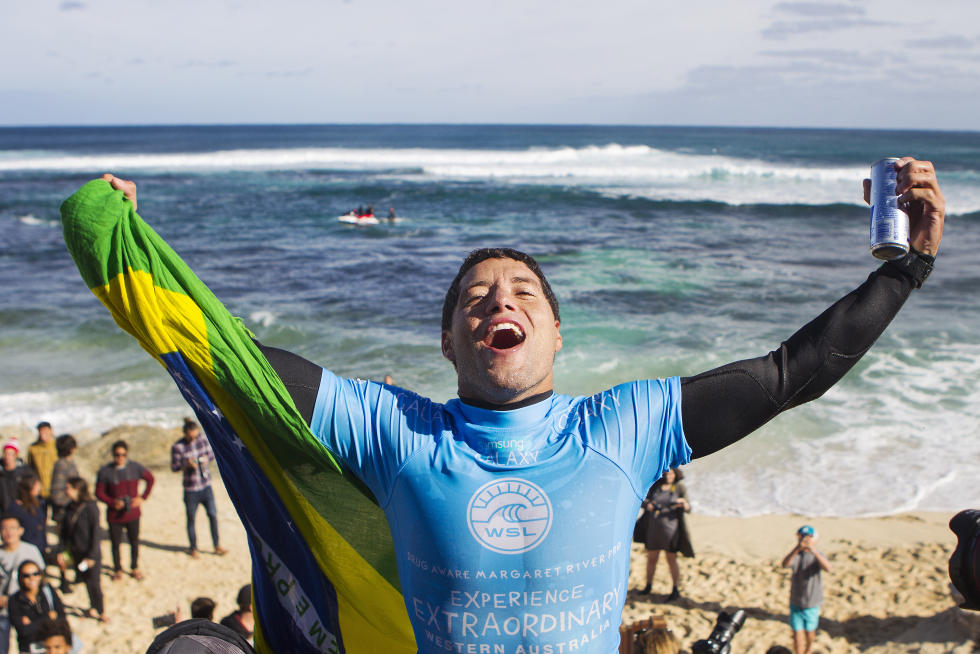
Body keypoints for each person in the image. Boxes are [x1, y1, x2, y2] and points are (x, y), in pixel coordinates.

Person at [99, 161, 945, 654]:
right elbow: (233, 362)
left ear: (555, 332)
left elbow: (790, 373)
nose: (498, 302)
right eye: (474, 297)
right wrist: (135, 249)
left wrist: (904, 270)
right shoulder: (397, 433)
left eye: (523, 292)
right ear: (449, 343)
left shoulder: (623, 426)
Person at [95, 440, 154, 580]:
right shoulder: (105, 472)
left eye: (123, 454)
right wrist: (112, 502)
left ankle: (134, 568)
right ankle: (117, 569)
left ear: (127, 454)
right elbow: (99, 493)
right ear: (113, 455)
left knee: (134, 542)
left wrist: (142, 497)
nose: (120, 457)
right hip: (114, 515)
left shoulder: (135, 467)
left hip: (133, 513)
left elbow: (150, 479)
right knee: (115, 544)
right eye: (117, 455)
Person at [170, 420, 226, 558]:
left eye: (194, 436)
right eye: (190, 437)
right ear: (185, 434)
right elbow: (174, 467)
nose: (193, 439)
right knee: (191, 519)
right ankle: (193, 547)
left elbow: (212, 454)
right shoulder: (178, 447)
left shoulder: (202, 440)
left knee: (213, 515)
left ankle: (217, 545)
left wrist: (207, 459)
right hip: (191, 489)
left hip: (206, 485)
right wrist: (186, 465)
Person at [639, 468, 692, 601]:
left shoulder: (679, 488)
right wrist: (648, 505)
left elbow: (688, 508)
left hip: (671, 530)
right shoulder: (655, 486)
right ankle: (648, 586)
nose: (669, 476)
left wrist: (683, 504)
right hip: (653, 529)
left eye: (671, 474)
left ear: (676, 475)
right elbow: (642, 501)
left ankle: (675, 589)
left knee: (671, 559)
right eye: (667, 474)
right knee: (651, 559)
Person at [56, 479, 106, 623]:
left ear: (77, 488)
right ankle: (92, 607)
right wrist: (61, 551)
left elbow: (96, 533)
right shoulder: (69, 507)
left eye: (68, 487)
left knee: (94, 583)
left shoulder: (91, 507)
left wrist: (91, 556)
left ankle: (101, 611)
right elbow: (64, 533)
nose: (66, 490)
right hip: (76, 552)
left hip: (91, 553)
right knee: (85, 581)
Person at [780, 525, 831, 654]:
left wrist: (813, 550)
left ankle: (808, 650)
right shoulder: (797, 555)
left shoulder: (817, 555)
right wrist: (797, 548)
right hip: (796, 601)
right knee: (797, 633)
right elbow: (785, 564)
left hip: (812, 602)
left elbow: (828, 568)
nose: (805, 540)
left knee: (810, 632)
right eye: (802, 537)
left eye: (808, 538)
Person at [0, 516, 44, 654]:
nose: (8, 532)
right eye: (4, 528)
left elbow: (41, 579)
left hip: (26, 607)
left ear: (21, 530)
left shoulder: (31, 551)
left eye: (12, 528)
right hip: (3, 609)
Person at [8, 560, 65, 654]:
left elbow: (62, 618)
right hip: (29, 649)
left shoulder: (48, 592)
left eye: (35, 574)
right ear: (20, 578)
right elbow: (23, 631)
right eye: (26, 575)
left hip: (52, 648)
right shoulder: (14, 600)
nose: (32, 578)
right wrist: (47, 617)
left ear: (40, 575)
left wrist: (32, 624)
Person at [6, 475, 47, 558]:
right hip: (25, 548)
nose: (39, 488)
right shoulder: (16, 508)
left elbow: (41, 526)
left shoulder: (39, 504)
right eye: (36, 485)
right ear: (30, 487)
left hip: (40, 547)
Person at [49, 437, 78, 528]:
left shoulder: (69, 463)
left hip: (71, 511)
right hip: (64, 513)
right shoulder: (61, 465)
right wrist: (71, 501)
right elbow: (56, 493)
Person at [27, 424, 57, 514]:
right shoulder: (33, 448)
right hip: (40, 489)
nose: (43, 434)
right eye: (41, 431)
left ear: (51, 431)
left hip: (55, 488)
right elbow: (30, 468)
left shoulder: (56, 446)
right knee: (40, 515)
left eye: (45, 431)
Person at [0, 442, 26, 514]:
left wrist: (23, 500)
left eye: (10, 454)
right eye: (5, 453)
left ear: (16, 455)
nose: (7, 456)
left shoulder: (23, 473)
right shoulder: (1, 474)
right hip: (3, 512)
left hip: (20, 511)